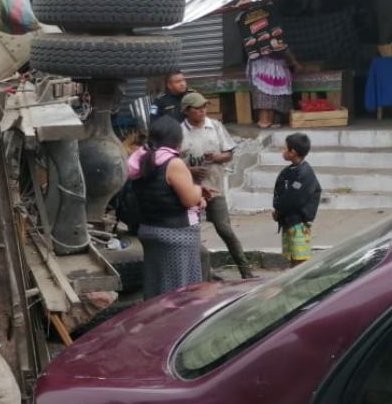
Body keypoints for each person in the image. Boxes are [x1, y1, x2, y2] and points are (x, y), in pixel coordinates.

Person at [128, 116, 210, 299]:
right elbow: (189, 200)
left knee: (156, 286)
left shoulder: (140, 158)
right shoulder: (173, 163)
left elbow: (160, 192)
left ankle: (155, 322)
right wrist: (198, 191)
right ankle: (176, 325)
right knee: (179, 293)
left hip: (149, 229)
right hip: (177, 233)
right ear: (177, 139)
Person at [180, 92, 255, 279]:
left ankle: (246, 271)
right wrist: (190, 170)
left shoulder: (215, 126)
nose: (203, 111)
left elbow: (229, 153)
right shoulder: (179, 132)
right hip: (190, 191)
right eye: (198, 108)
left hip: (215, 187)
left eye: (204, 107)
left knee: (225, 229)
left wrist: (217, 157)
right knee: (193, 234)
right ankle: (204, 275)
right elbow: (172, 163)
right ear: (187, 111)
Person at [238, 5, 301, 129]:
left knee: (268, 93)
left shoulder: (245, 21)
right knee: (269, 93)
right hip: (268, 66)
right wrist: (294, 62)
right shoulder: (270, 25)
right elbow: (282, 47)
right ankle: (266, 120)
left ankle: (270, 120)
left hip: (260, 64)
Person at [273, 132, 322, 267]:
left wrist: (279, 209)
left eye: (285, 148)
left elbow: (294, 198)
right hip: (288, 221)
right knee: (292, 255)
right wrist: (278, 208)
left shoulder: (305, 173)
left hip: (299, 222)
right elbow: (280, 191)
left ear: (292, 152)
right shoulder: (287, 171)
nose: (282, 151)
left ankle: (299, 281)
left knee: (300, 257)